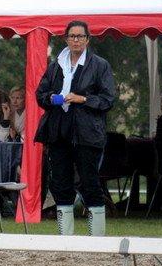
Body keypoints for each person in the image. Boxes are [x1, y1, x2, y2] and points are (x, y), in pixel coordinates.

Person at [35, 21, 115, 236]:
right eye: (72, 36)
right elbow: (40, 95)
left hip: (87, 133)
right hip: (59, 131)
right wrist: (51, 97)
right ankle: (65, 236)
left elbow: (108, 100)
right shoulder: (55, 66)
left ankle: (96, 237)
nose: (76, 40)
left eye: (80, 36)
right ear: (66, 39)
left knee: (90, 182)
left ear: (88, 39)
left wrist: (83, 99)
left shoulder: (100, 65)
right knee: (60, 183)